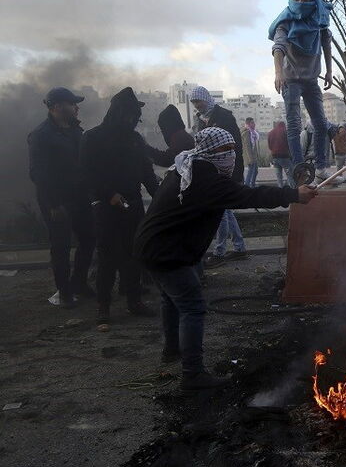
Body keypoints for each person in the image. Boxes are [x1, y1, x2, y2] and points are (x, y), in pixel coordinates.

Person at [134, 127, 317, 390]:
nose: (231, 156)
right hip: (166, 252)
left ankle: (172, 351)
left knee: (171, 300)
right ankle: (193, 374)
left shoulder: (190, 167)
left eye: (233, 149)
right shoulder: (203, 179)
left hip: (155, 246)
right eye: (225, 150)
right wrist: (293, 195)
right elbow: (248, 196)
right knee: (192, 306)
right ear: (210, 151)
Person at [80, 87, 159, 329]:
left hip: (133, 204)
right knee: (107, 258)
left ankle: (134, 301)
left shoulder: (135, 139)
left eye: (136, 116)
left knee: (135, 254)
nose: (134, 120)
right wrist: (108, 194)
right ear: (118, 113)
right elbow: (87, 174)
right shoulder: (92, 138)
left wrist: (160, 197)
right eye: (130, 115)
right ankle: (103, 307)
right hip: (106, 207)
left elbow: (147, 172)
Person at [27, 87, 96, 308]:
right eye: (72, 103)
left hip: (80, 197)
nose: (76, 107)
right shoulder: (41, 135)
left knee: (88, 239)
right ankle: (65, 292)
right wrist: (54, 204)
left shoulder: (76, 130)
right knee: (61, 246)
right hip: (58, 201)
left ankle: (79, 282)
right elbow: (39, 174)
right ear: (57, 107)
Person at [269, 0, 341, 185]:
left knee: (320, 124)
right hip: (291, 80)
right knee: (294, 125)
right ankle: (300, 172)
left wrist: (329, 71)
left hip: (311, 80)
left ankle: (320, 169)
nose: (300, 3)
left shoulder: (319, 16)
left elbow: (327, 42)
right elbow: (278, 47)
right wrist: (278, 73)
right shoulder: (286, 20)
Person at [189, 85, 247, 266]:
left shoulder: (224, 116)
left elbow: (235, 145)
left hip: (225, 170)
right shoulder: (199, 120)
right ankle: (239, 248)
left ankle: (220, 252)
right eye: (194, 102)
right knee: (225, 209)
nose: (196, 105)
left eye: (198, 101)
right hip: (210, 171)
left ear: (206, 99)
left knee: (219, 211)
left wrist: (237, 172)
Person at [267, 121, 295, 187]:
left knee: (279, 176)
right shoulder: (285, 131)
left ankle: (280, 190)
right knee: (290, 174)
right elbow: (289, 144)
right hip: (284, 156)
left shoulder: (271, 133)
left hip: (274, 157)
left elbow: (269, 146)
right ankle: (292, 190)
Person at [242, 117, 259, 187]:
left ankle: (252, 185)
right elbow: (247, 147)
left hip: (253, 156)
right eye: (252, 123)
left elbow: (254, 146)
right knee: (251, 172)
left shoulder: (253, 133)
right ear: (248, 124)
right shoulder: (247, 133)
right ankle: (247, 186)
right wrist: (250, 159)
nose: (254, 124)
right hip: (250, 157)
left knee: (255, 171)